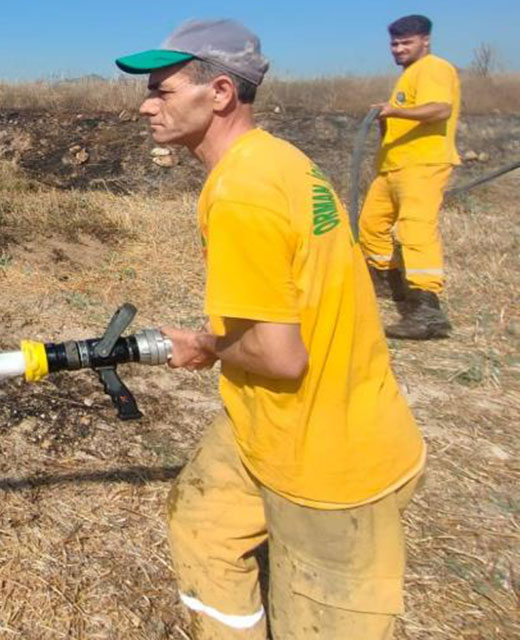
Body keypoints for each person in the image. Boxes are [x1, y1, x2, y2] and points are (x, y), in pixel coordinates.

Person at [114, 19, 425, 639]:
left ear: (221, 92)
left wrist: (200, 345)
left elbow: (281, 358)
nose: (146, 106)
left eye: (163, 91)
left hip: (331, 460)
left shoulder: (242, 194)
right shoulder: (279, 159)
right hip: (267, 425)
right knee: (204, 525)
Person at [358, 14, 459, 339]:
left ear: (425, 41)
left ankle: (427, 309)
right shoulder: (409, 75)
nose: (399, 49)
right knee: (371, 225)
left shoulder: (434, 68)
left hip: (422, 165)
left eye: (406, 43)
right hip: (393, 167)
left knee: (416, 230)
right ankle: (391, 285)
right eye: (395, 44)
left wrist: (394, 111)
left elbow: (440, 109)